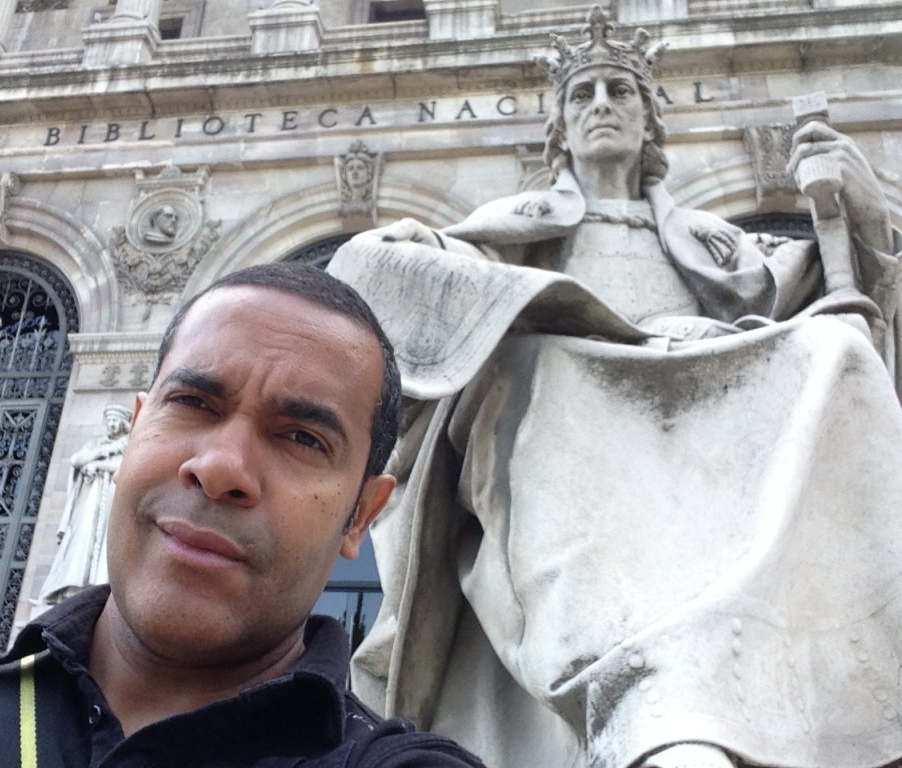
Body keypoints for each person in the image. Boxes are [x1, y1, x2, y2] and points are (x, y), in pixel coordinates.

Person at [327, 6, 902, 768]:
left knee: (837, 351)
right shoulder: (516, 228)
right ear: (561, 128)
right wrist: (406, 249)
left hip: (702, 412)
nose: (601, 104)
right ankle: (638, 693)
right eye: (583, 94)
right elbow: (415, 291)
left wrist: (865, 219)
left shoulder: (712, 244)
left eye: (620, 91)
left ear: (649, 122)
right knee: (534, 373)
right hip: (568, 408)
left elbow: (837, 302)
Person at [0, 262, 486, 768]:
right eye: (193, 402)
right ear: (134, 431)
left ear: (360, 515)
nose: (221, 468)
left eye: (302, 438)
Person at [37, 404, 132, 607]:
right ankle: (73, 585)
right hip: (90, 500)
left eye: (116, 421)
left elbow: (126, 467)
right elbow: (76, 460)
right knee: (82, 538)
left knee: (106, 540)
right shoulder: (96, 444)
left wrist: (98, 465)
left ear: (123, 424)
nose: (112, 424)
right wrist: (103, 452)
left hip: (112, 501)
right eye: (109, 421)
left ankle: (101, 586)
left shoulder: (128, 445)